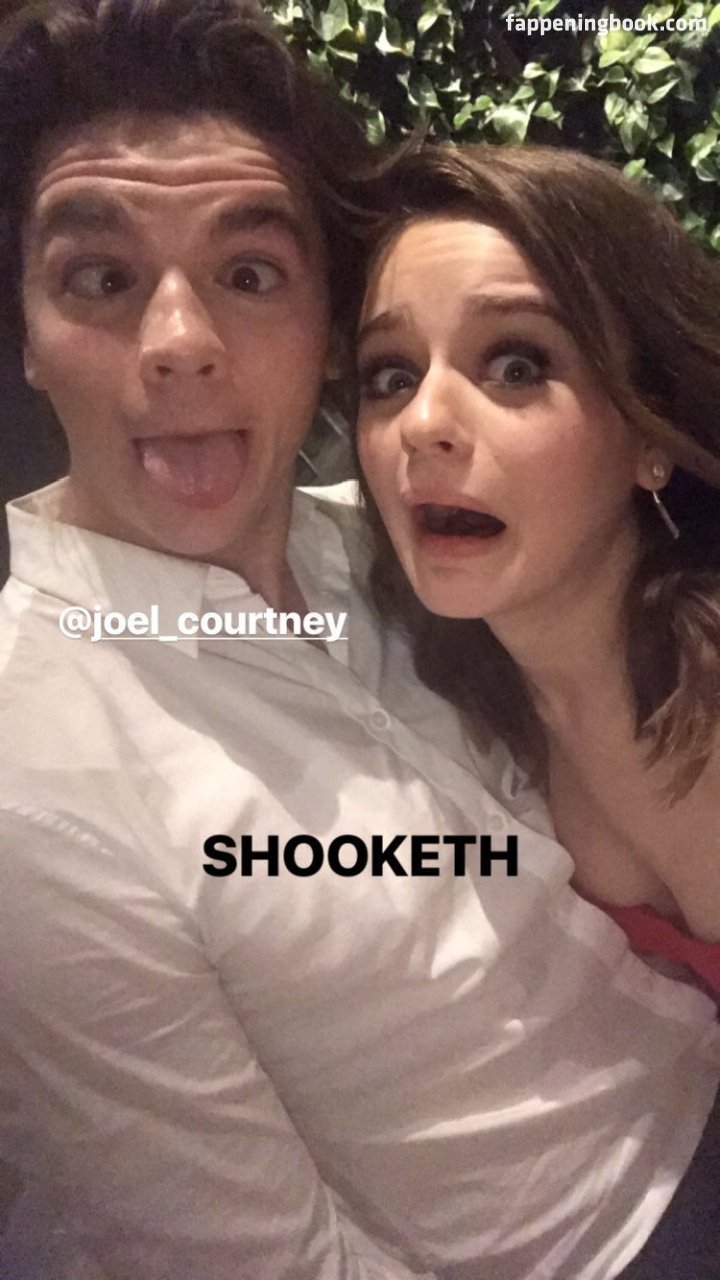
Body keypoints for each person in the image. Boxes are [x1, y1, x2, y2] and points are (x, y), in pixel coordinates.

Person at [0, 4, 717, 1276]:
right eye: (101, 278)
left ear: (325, 332)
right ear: (26, 335)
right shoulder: (37, 768)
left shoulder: (405, 542)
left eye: (250, 273)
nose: (181, 344)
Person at [355, 142, 720, 1271]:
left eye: (515, 364)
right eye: (387, 375)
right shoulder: (480, 689)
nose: (424, 421)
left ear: (650, 431)